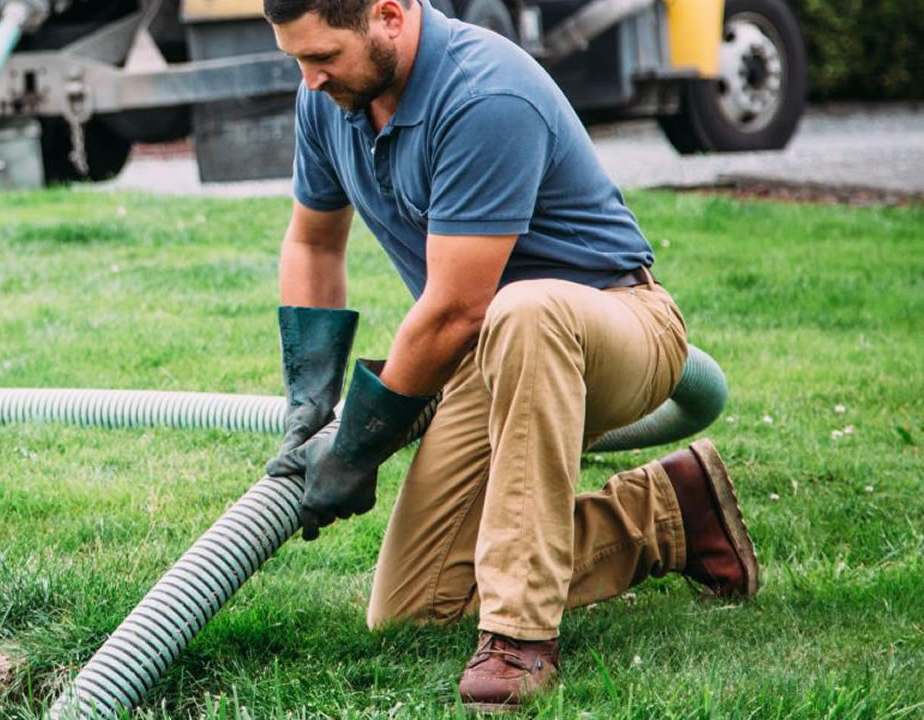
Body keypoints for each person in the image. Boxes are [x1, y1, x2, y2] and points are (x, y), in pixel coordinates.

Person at [259, 0, 761, 712]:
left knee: (523, 309)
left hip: (612, 326)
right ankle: (667, 513)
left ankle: (520, 635)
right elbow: (312, 242)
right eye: (298, 60)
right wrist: (313, 403)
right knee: (415, 606)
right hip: (487, 354)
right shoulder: (331, 98)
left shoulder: (483, 94)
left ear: (389, 16)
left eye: (323, 58)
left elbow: (460, 308)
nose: (309, 80)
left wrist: (358, 445)